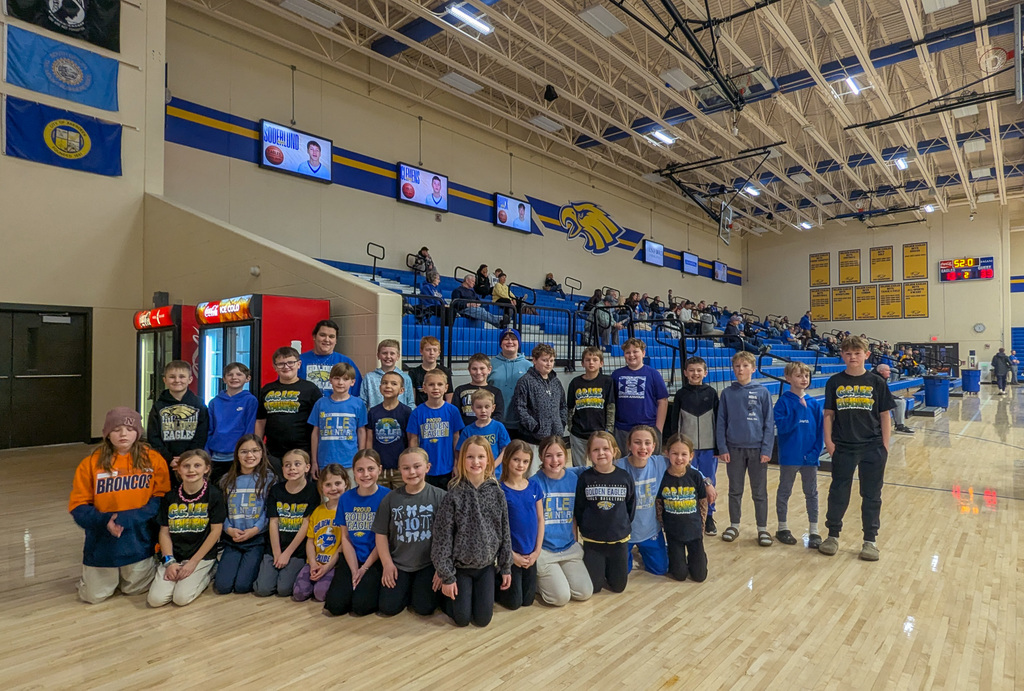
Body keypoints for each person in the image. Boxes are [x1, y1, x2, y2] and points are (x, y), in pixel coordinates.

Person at [69, 407, 171, 604]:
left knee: (136, 589)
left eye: (130, 429)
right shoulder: (90, 463)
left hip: (138, 538)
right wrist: (105, 520)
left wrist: (132, 517)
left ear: (138, 433)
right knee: (94, 597)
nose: (123, 434)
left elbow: (161, 497)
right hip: (103, 540)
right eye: (116, 429)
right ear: (107, 434)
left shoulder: (153, 459)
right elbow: (78, 506)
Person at [819, 336, 895, 562]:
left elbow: (885, 415)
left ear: (866, 355)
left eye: (857, 353)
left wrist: (885, 446)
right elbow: (828, 414)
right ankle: (832, 535)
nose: (853, 357)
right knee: (838, 492)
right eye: (848, 353)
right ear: (842, 355)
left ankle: (870, 541)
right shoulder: (834, 382)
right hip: (843, 446)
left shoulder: (877, 382)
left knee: (871, 495)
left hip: (873, 447)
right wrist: (829, 442)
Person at [432, 437, 513, 627]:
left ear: (489, 460)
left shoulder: (497, 493)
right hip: (460, 568)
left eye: (481, 457)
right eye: (470, 457)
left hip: (486, 567)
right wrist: (446, 575)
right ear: (462, 460)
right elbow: (442, 538)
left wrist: (505, 566)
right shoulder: (453, 493)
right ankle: (446, 596)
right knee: (461, 619)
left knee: (483, 620)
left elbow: (504, 531)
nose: (475, 462)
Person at [147, 449, 225, 607]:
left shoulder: (214, 495)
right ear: (178, 469)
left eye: (197, 465)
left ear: (206, 469)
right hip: (175, 555)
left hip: (201, 556)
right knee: (155, 600)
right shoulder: (170, 496)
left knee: (181, 598)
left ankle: (209, 572)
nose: (191, 470)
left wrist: (193, 563)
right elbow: (164, 532)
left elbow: (216, 532)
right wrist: (169, 561)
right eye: (186, 466)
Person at [374, 447, 445, 617]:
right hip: (399, 563)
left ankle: (417, 591)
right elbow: (381, 534)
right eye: (406, 468)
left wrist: (442, 567)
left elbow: (448, 537)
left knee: (425, 608)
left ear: (427, 467)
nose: (412, 472)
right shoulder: (390, 499)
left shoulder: (440, 497)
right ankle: (407, 589)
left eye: (417, 466)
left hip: (428, 563)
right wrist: (387, 564)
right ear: (400, 470)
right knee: (388, 608)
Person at [717, 351, 775, 547]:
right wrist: (722, 447)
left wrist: (766, 449)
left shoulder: (763, 392)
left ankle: (762, 528)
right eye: (737, 366)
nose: (740, 369)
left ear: (753, 369)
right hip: (733, 449)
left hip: (757, 450)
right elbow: (721, 422)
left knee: (759, 492)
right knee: (735, 490)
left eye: (744, 366)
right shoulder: (727, 393)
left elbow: (769, 423)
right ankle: (734, 525)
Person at [323, 449, 389, 616]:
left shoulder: (387, 497)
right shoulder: (346, 498)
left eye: (370, 469)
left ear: (379, 469)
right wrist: (354, 570)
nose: (365, 474)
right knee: (335, 606)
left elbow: (385, 540)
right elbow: (345, 537)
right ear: (353, 472)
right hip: (352, 556)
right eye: (360, 470)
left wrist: (364, 569)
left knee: (360, 607)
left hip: (375, 558)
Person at [532, 437, 592, 607]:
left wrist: (575, 541)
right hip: (544, 549)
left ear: (566, 455)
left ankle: (556, 577)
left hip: (567, 547)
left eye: (559, 455)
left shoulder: (574, 479)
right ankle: (534, 581)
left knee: (584, 592)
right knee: (560, 598)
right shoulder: (534, 483)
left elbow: (574, 515)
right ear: (541, 457)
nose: (554, 460)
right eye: (548, 455)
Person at [665, 356, 720, 536]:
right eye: (691, 370)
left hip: (709, 447)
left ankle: (709, 515)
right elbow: (675, 422)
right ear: (685, 373)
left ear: (705, 373)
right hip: (686, 450)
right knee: (687, 480)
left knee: (709, 481)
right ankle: (690, 514)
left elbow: (718, 421)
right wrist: (674, 446)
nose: (695, 373)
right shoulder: (681, 394)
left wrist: (718, 446)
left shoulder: (711, 393)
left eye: (699, 370)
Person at [253, 449, 320, 597]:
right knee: (262, 589)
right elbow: (273, 522)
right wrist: (277, 552)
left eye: (297, 464)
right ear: (282, 468)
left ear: (307, 467)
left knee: (284, 589)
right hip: (275, 546)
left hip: (297, 550)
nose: (292, 468)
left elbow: (306, 524)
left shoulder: (313, 491)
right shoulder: (276, 490)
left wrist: (287, 553)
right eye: (288, 465)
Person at [214, 435, 275, 595]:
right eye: (244, 451)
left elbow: (269, 511)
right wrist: (228, 529)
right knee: (223, 587)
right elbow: (221, 511)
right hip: (233, 538)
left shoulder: (269, 479)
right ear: (237, 455)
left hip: (256, 539)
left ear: (262, 453)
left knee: (242, 586)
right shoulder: (226, 480)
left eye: (255, 450)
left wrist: (255, 530)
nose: (250, 455)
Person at [575, 432, 635, 594]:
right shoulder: (585, 478)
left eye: (605, 449)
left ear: (614, 451)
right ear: (589, 454)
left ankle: (610, 568)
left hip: (618, 540)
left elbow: (630, 506)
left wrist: (621, 525)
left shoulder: (624, 477)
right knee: (594, 587)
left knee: (618, 587)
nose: (601, 453)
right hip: (593, 541)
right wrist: (586, 526)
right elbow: (579, 507)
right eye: (595, 449)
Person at [773, 362, 823, 549]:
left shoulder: (814, 404)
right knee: (784, 491)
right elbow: (782, 428)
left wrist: (815, 452)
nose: (803, 379)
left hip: (810, 457)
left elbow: (820, 431)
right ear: (788, 378)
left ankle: (814, 530)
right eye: (799, 375)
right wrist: (799, 411)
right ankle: (782, 527)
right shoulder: (783, 402)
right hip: (790, 456)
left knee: (811, 493)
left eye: (806, 376)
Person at [255, 346, 323, 475]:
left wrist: (315, 458)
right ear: (275, 367)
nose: (286, 367)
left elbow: (318, 425)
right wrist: (258, 448)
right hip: (273, 453)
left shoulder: (310, 389)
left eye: (290, 362)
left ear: (299, 364)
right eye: (281, 364)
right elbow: (260, 421)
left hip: (302, 451)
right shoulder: (267, 389)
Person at [614, 425, 669, 577]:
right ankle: (629, 553)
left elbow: (686, 468)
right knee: (621, 573)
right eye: (637, 442)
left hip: (650, 531)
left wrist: (707, 482)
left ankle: (654, 548)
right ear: (629, 445)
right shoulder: (617, 466)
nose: (643, 447)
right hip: (624, 533)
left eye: (647, 443)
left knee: (660, 569)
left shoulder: (660, 463)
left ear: (654, 446)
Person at [496, 440, 544, 610]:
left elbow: (540, 519)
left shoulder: (534, 486)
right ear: (507, 459)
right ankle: (493, 579)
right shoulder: (500, 490)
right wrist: (511, 555)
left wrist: (537, 552)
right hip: (511, 555)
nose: (520, 465)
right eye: (516, 460)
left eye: (525, 461)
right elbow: (497, 528)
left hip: (530, 553)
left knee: (528, 600)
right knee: (514, 603)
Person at [292, 464, 349, 603]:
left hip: (333, 564)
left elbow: (344, 544)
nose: (333, 488)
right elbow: (310, 541)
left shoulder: (348, 511)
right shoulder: (317, 511)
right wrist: (312, 563)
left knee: (320, 594)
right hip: (315, 561)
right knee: (299, 594)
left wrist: (327, 566)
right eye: (328, 485)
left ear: (346, 484)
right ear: (322, 487)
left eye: (337, 483)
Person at [656, 434, 708, 583]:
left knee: (699, 576)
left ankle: (699, 558)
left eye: (684, 454)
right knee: (679, 575)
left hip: (694, 532)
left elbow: (702, 502)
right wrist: (663, 524)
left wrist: (702, 526)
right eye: (675, 453)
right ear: (667, 453)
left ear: (691, 456)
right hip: (674, 534)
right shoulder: (662, 477)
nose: (679, 458)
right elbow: (659, 504)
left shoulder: (695, 476)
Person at [146, 360, 209, 481]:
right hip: (166, 462)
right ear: (164, 380)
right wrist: (169, 458)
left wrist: (187, 457)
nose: (177, 380)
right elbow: (153, 436)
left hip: (192, 461)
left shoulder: (199, 404)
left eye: (182, 376)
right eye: (172, 377)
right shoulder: (158, 406)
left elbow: (202, 434)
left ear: (190, 379)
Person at [309, 362, 369, 483]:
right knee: (328, 493)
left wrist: (361, 458)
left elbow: (361, 431)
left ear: (352, 382)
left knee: (351, 492)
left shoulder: (358, 404)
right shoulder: (320, 403)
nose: (340, 382)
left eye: (345, 379)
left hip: (350, 461)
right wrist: (314, 461)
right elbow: (315, 433)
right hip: (325, 461)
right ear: (330, 380)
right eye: (337, 378)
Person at [511, 344, 567, 474]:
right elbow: (520, 407)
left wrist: (562, 423)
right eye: (545, 360)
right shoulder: (525, 381)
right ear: (534, 360)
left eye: (551, 360)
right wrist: (534, 427)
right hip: (533, 439)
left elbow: (563, 405)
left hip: (554, 438)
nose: (549, 364)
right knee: (533, 474)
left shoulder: (556, 382)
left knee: (553, 472)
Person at [407, 370, 465, 488]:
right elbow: (413, 440)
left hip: (448, 467)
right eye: (431, 384)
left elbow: (456, 438)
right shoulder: (417, 413)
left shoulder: (453, 411)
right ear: (424, 388)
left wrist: (457, 463)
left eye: (439, 384)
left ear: (446, 388)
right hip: (425, 468)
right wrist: (415, 465)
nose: (435, 388)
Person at [611, 338, 669, 453]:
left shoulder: (653, 374)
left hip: (648, 428)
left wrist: (658, 429)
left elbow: (662, 401)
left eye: (635, 351)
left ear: (643, 353)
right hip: (622, 429)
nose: (631, 355)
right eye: (628, 352)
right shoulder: (616, 375)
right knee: (622, 462)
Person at [206, 362, 257, 485]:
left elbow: (249, 429)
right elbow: (209, 429)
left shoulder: (250, 400)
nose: (234, 377)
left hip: (238, 457)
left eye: (239, 374)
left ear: (248, 378)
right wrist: (206, 454)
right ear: (224, 379)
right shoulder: (214, 402)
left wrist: (246, 452)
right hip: (216, 456)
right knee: (217, 488)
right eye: (230, 375)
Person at [566, 346, 615, 467]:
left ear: (601, 363)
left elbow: (610, 407)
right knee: (579, 468)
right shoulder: (575, 382)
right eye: (588, 360)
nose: (591, 363)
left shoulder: (607, 381)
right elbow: (570, 408)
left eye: (595, 360)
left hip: (599, 432)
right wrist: (571, 427)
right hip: (578, 432)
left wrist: (609, 430)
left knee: (600, 465)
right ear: (582, 363)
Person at [365, 371, 413, 490]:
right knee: (380, 498)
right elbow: (369, 439)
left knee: (401, 497)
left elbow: (411, 439)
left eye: (393, 383)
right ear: (380, 387)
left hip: (400, 468)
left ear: (401, 390)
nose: (388, 386)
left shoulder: (406, 412)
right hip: (379, 468)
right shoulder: (373, 412)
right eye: (385, 383)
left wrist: (408, 462)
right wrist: (370, 461)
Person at [300, 319, 362, 397]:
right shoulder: (299, 361)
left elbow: (357, 393)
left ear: (336, 340)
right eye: (322, 335)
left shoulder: (346, 362)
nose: (327, 340)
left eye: (331, 336)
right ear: (314, 337)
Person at [455, 389, 511, 476]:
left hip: (495, 474)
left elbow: (506, 449)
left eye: (487, 407)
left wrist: (493, 466)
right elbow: (460, 452)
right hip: (474, 473)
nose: (483, 410)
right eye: (479, 407)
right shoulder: (468, 430)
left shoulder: (498, 427)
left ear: (493, 408)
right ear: (473, 408)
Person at [488, 328, 532, 436]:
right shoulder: (490, 364)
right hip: (495, 420)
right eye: (506, 339)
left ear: (519, 343)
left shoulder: (528, 366)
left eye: (513, 339)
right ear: (500, 343)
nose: (510, 342)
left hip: (521, 423)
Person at [361, 339, 415, 410]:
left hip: (399, 416)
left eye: (392, 353)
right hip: (375, 416)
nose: (388, 356)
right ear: (378, 355)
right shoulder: (369, 378)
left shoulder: (405, 378)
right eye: (384, 353)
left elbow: (410, 403)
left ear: (398, 356)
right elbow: (363, 403)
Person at [453, 353, 505, 426]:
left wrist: (486, 427)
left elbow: (498, 415)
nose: (478, 372)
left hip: (488, 430)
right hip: (466, 430)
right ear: (469, 370)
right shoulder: (460, 390)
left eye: (482, 368)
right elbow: (455, 414)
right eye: (474, 369)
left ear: (489, 370)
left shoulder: (496, 392)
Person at [407, 336, 454, 406]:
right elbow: (412, 399)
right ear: (421, 351)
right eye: (428, 350)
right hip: (421, 410)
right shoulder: (414, 373)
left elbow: (449, 396)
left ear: (439, 353)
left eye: (435, 350)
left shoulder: (445, 371)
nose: (431, 353)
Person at [874, 364, 914, 434]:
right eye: (887, 370)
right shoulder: (877, 380)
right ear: (881, 371)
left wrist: (893, 397)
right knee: (900, 403)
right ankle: (899, 426)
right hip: (876, 402)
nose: (890, 372)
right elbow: (880, 395)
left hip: (880, 400)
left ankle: (899, 425)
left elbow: (885, 393)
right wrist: (892, 398)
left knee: (900, 400)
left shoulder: (880, 378)